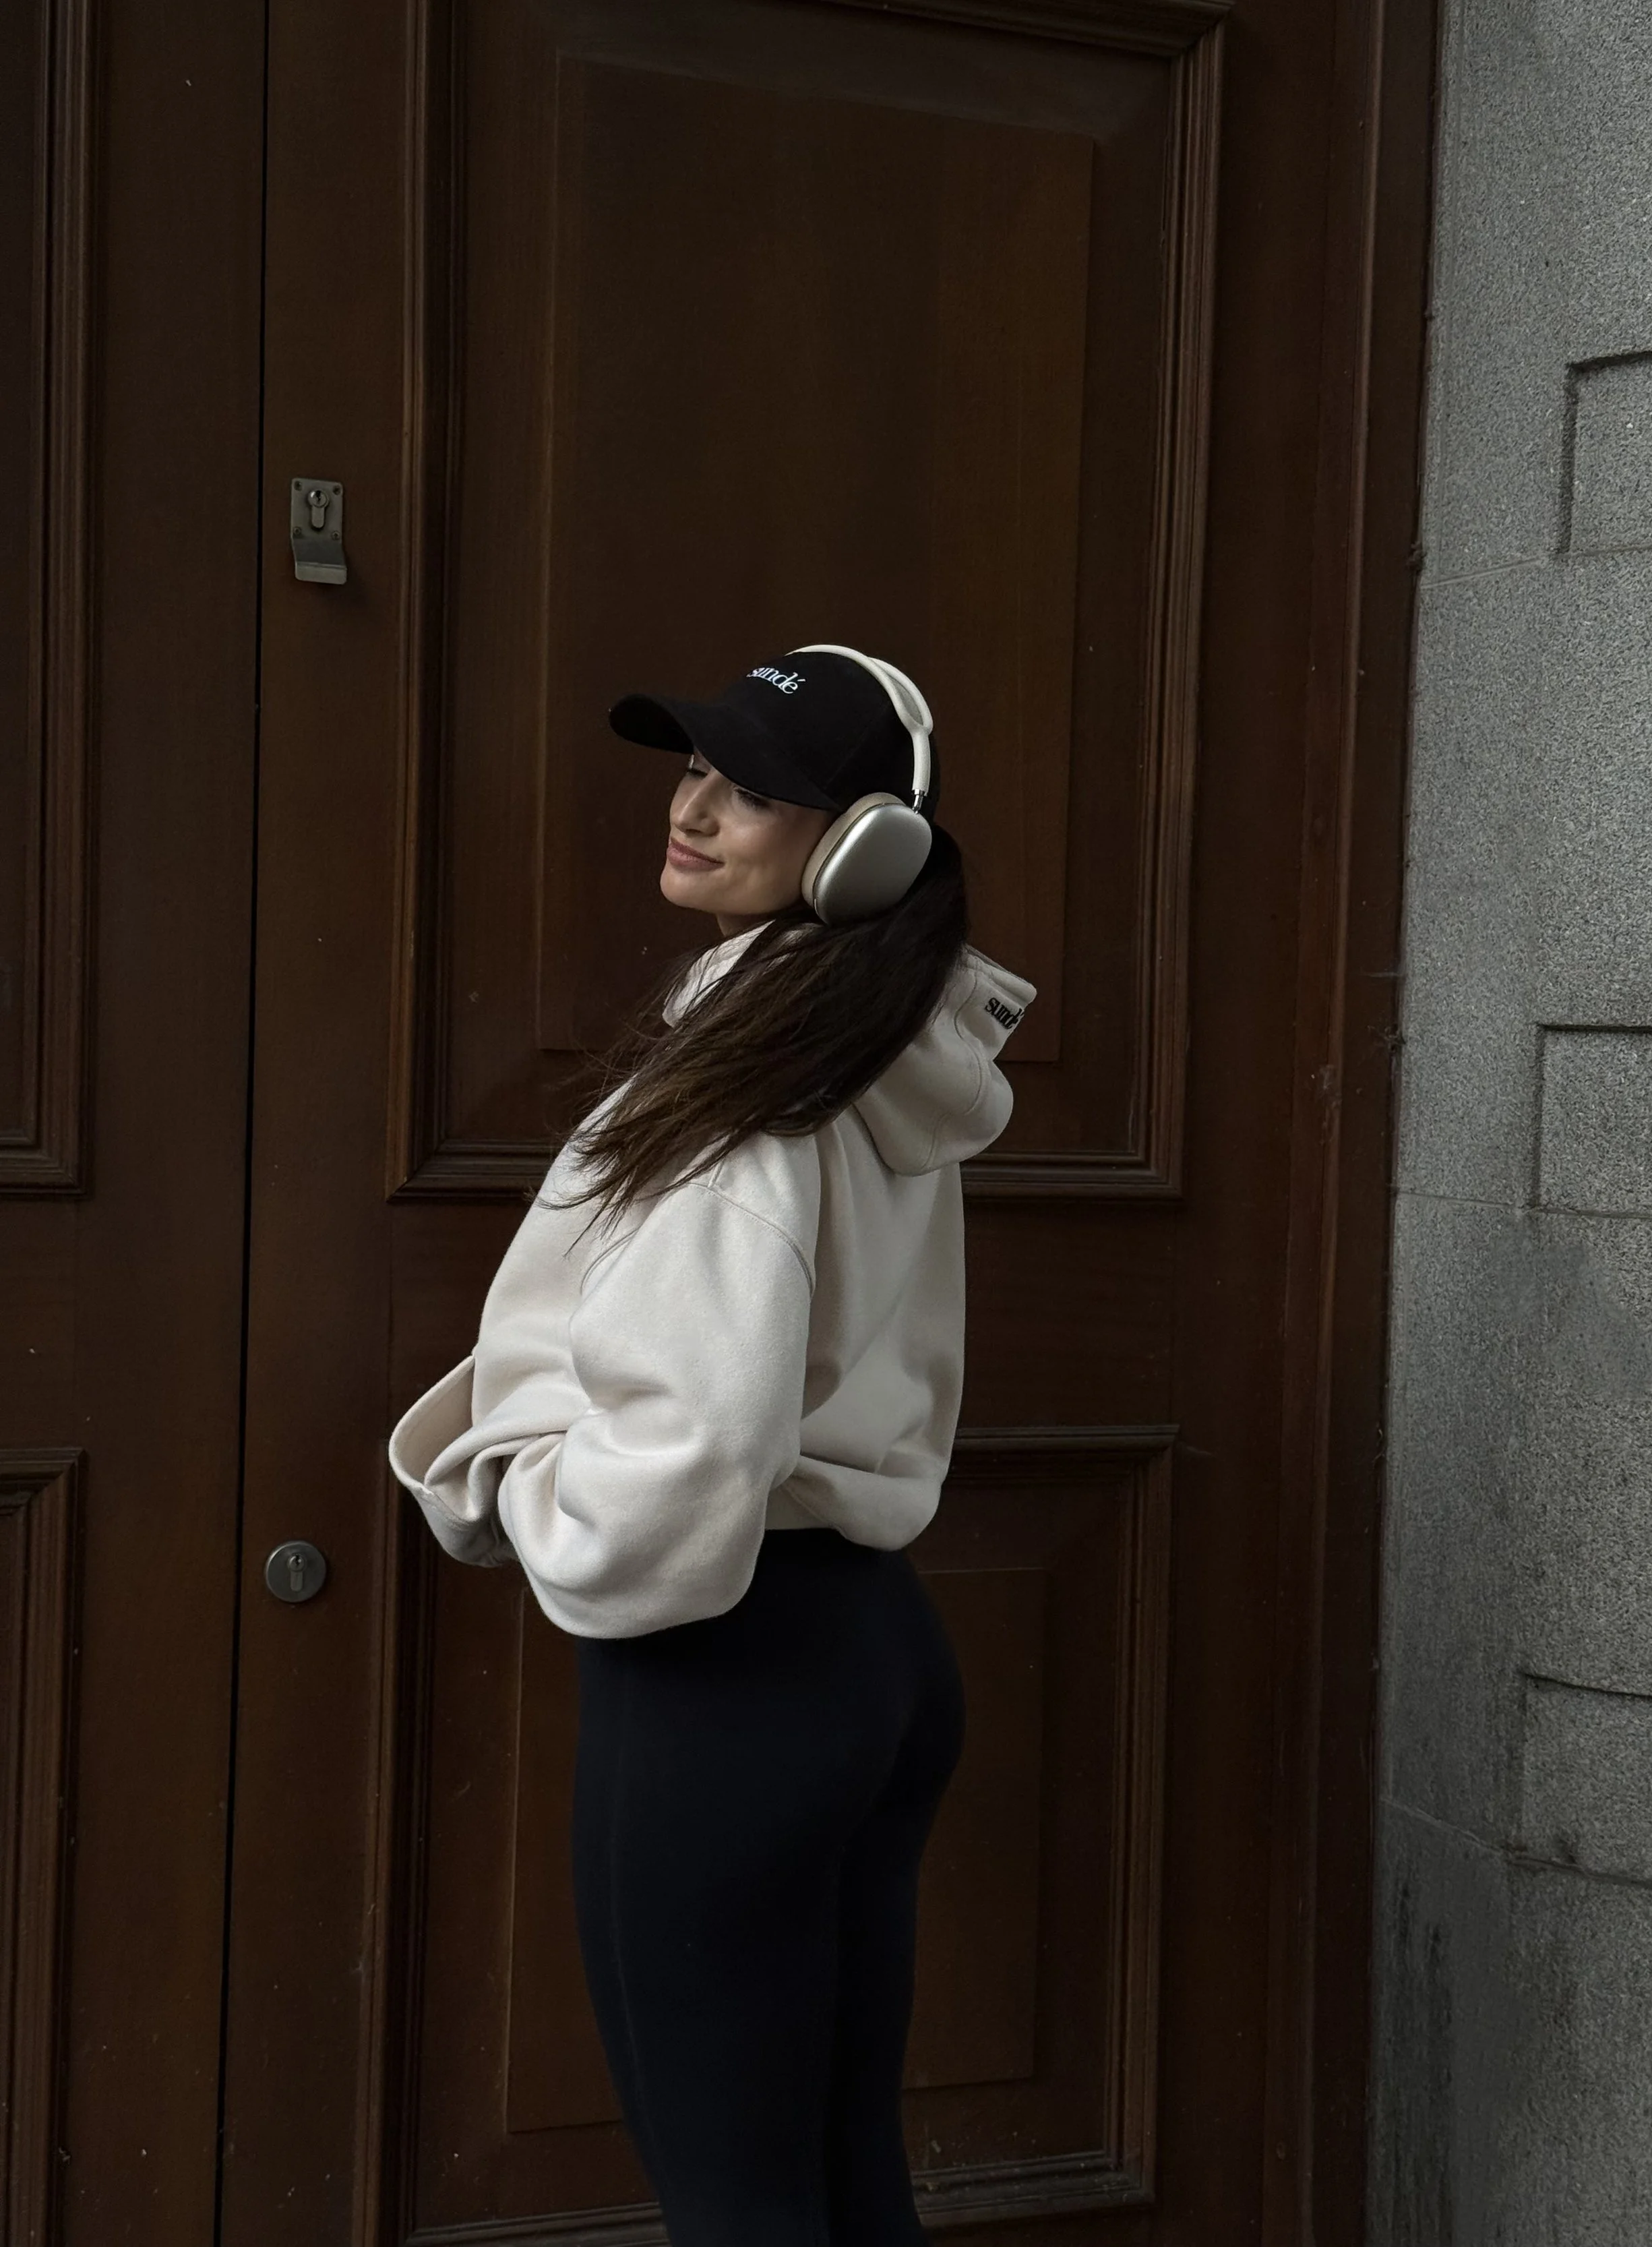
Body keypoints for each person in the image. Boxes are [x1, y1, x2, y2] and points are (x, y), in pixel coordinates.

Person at [388, 643, 1036, 2246]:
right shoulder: (860, 1042)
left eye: (748, 788)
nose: (691, 809)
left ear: (861, 840)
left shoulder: (750, 1095)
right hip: (865, 1653)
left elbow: (678, 1466)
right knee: (830, 2174)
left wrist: (523, 1485)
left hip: (728, 1677)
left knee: (737, 2202)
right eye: (689, 770)